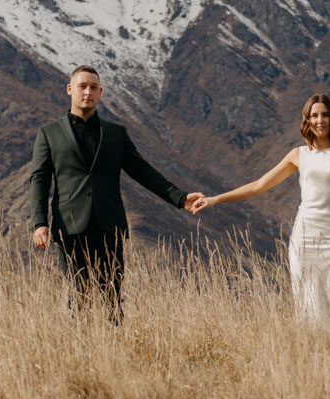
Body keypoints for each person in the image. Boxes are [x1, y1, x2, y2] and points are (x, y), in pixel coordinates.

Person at [28, 65, 202, 321]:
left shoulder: (115, 134)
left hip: (110, 226)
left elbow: (143, 171)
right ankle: (83, 353)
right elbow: (40, 179)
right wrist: (40, 223)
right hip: (69, 227)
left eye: (93, 87)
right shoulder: (49, 133)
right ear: (69, 90)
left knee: (112, 296)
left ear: (100, 92)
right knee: (80, 296)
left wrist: (179, 198)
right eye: (82, 86)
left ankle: (114, 353)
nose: (87, 92)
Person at [191, 93, 330, 330]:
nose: (320, 120)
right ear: (307, 120)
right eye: (314, 116)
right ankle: (311, 356)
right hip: (304, 235)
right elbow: (258, 186)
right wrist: (216, 199)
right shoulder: (298, 155)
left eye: (325, 115)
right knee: (307, 301)